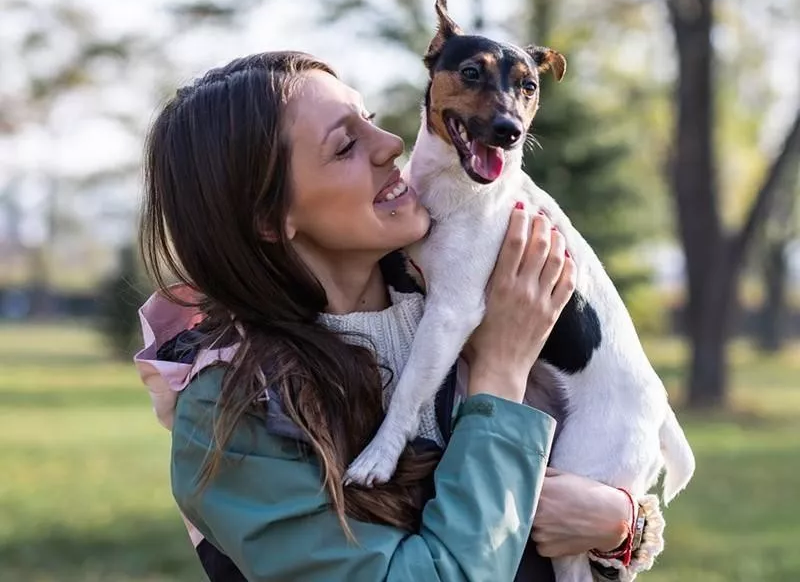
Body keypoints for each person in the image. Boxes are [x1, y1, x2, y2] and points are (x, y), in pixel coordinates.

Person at [136, 51, 665, 582]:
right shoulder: (232, 404)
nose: (390, 144)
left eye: (368, 119)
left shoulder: (471, 299)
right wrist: (500, 374)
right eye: (346, 145)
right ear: (270, 218)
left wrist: (623, 525)